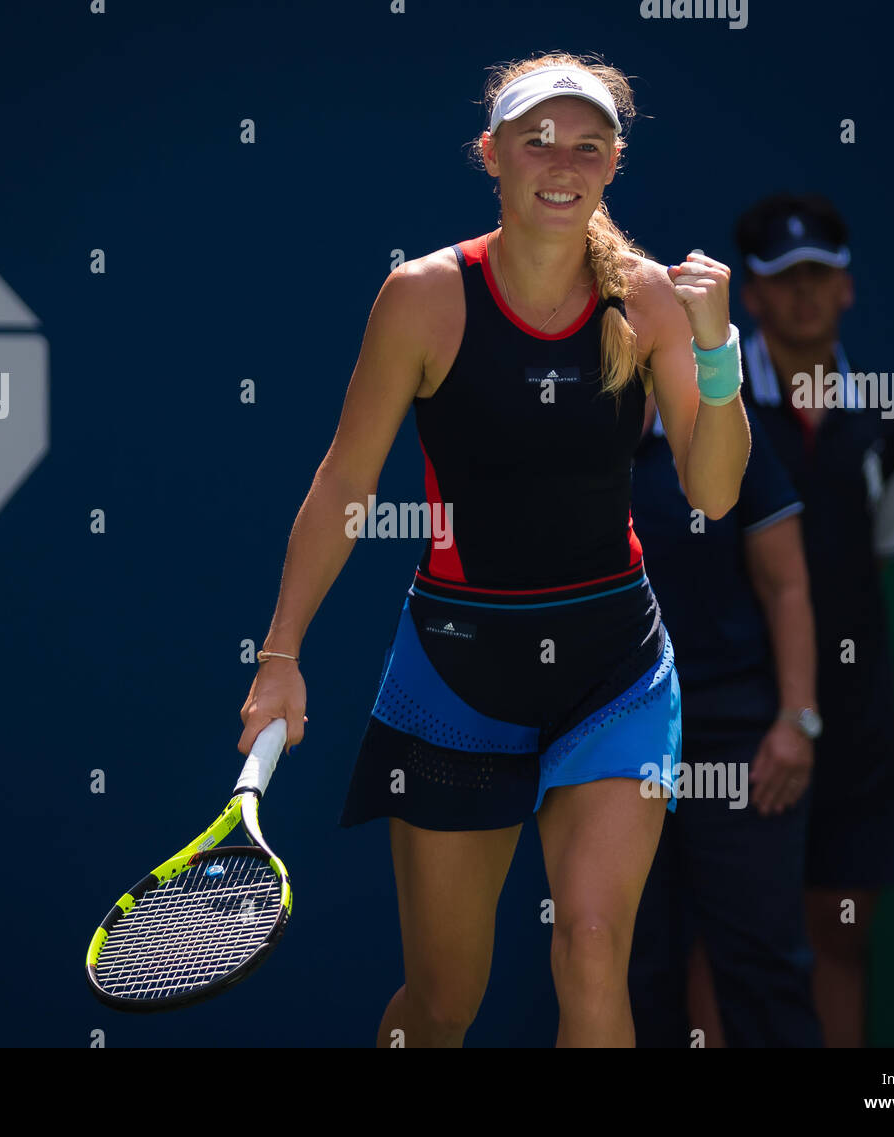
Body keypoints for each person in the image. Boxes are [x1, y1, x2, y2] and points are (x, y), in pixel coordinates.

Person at [237, 51, 751, 1048]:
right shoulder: (422, 297)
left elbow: (716, 490)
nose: (561, 162)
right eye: (536, 141)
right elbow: (347, 483)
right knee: (441, 1005)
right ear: (493, 155)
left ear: (612, 167)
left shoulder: (649, 304)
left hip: (615, 674)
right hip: (457, 677)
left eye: (587, 147)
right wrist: (281, 654)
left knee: (593, 945)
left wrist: (716, 349)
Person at [730, 192, 894, 1047]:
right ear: (752, 296)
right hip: (730, 718)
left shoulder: (890, 426)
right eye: (784, 279)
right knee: (722, 937)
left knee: (839, 933)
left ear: (846, 289)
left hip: (854, 724)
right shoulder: (713, 413)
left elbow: (874, 557)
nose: (805, 296)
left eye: (821, 277)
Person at [627, 390, 823, 1047]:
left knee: (762, 961)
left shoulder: (723, 428)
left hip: (737, 733)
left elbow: (786, 583)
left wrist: (797, 719)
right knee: (629, 965)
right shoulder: (572, 433)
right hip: (613, 738)